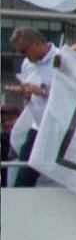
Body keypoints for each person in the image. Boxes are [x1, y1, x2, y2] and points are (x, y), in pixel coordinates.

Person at [6, 26, 57, 187]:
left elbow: (68, 90)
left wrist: (40, 90)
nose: (24, 56)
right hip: (37, 125)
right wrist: (24, 92)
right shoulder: (27, 63)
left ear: (37, 43)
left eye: (24, 51)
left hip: (59, 127)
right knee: (25, 173)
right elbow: (30, 94)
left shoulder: (61, 58)